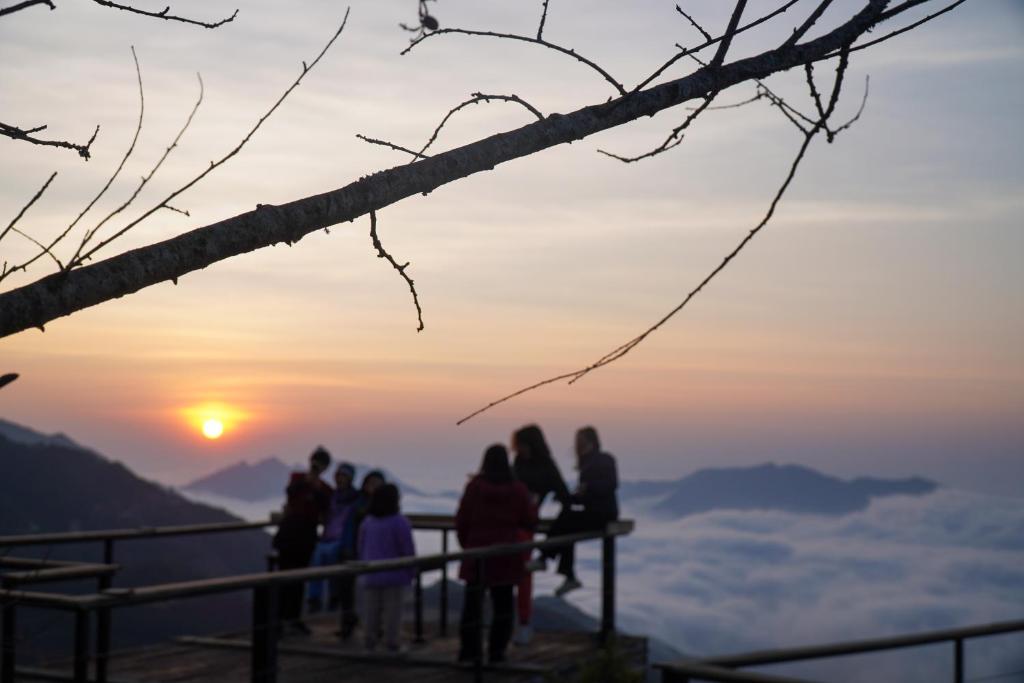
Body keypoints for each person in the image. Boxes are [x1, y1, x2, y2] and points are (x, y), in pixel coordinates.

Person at [455, 444, 537, 664]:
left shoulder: (474, 487)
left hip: (477, 554)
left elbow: (462, 519)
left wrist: (468, 546)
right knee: (503, 607)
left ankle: (469, 652)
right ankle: (497, 653)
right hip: (506, 554)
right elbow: (529, 520)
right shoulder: (518, 490)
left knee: (472, 606)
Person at [526, 426, 618, 598]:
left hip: (604, 514)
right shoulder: (587, 462)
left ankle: (545, 558)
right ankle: (567, 574)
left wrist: (587, 488)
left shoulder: (604, 459)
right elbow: (587, 495)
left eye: (580, 440)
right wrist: (569, 498)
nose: (577, 444)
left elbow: (611, 484)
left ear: (590, 441)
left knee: (566, 520)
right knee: (567, 523)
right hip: (593, 512)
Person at [510, 424, 570, 645]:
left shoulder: (546, 466)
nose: (517, 450)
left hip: (525, 524)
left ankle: (524, 623)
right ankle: (514, 624)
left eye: (521, 445)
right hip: (511, 521)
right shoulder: (519, 462)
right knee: (509, 573)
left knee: (523, 574)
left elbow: (563, 493)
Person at [272, 446, 333, 635]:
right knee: (283, 578)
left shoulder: (325, 489)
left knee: (299, 579)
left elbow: (326, 507)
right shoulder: (297, 478)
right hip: (290, 534)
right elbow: (290, 492)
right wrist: (307, 483)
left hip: (306, 537)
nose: (317, 467)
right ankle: (279, 621)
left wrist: (316, 488)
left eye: (320, 465)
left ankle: (293, 618)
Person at [357, 483, 416, 652]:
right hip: (395, 576)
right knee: (393, 613)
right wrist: (411, 572)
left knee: (371, 612)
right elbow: (408, 550)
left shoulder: (367, 522)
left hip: (370, 574)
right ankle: (392, 643)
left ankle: (369, 642)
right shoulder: (400, 522)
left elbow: (360, 546)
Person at [306, 462, 359, 618]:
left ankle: (332, 598)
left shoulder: (355, 498)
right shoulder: (332, 496)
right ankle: (315, 599)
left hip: (341, 540)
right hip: (327, 538)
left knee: (329, 561)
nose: (340, 479)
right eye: (339, 476)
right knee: (317, 561)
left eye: (344, 476)